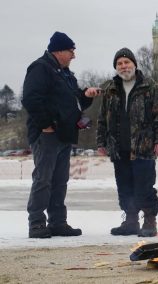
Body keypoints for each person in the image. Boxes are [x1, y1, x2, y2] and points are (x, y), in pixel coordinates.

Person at [22, 31, 100, 238]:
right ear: (58, 50)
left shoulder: (66, 74)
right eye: (70, 50)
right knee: (43, 179)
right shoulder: (40, 68)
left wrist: (86, 96)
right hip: (47, 134)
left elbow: (74, 102)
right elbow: (30, 99)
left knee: (60, 180)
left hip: (65, 134)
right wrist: (46, 124)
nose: (73, 55)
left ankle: (57, 222)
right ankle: (37, 224)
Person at [97, 47, 158, 237]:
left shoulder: (149, 86)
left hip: (143, 147)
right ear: (116, 68)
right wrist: (101, 142)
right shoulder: (110, 90)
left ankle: (149, 221)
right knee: (124, 185)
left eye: (126, 62)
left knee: (144, 186)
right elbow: (102, 119)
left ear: (134, 64)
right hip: (118, 148)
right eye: (119, 64)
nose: (123, 66)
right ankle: (130, 221)